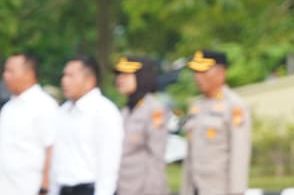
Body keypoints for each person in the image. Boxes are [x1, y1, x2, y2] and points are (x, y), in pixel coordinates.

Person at [179, 50, 251, 195]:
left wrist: (236, 192)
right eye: (195, 72)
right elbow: (190, 158)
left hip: (219, 189)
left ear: (221, 72)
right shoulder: (196, 106)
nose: (197, 77)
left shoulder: (234, 106)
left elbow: (239, 155)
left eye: (203, 72)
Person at [49, 57, 122, 195]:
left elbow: (109, 164)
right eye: (64, 75)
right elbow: (57, 159)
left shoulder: (104, 111)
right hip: (63, 189)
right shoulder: (63, 112)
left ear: (90, 80)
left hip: (89, 189)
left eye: (71, 76)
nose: (64, 81)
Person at [0, 53, 58, 195]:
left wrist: (44, 188)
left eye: (11, 71)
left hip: (29, 188)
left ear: (29, 74)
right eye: (5, 71)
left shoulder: (45, 105)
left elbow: (52, 148)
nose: (5, 76)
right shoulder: (8, 107)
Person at [113, 56, 168, 195]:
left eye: (126, 74)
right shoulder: (126, 110)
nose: (120, 79)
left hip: (142, 189)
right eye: (119, 74)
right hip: (123, 186)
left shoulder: (154, 109)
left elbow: (156, 158)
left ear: (141, 77)